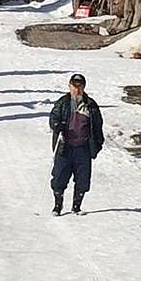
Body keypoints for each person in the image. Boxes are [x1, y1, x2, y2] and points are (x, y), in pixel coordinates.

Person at [49, 73, 104, 216]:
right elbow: (53, 117)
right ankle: (57, 206)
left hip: (83, 147)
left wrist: (97, 145)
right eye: (74, 87)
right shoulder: (63, 103)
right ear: (69, 86)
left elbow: (97, 126)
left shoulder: (90, 105)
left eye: (80, 87)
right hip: (65, 146)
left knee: (82, 178)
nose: (77, 90)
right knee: (59, 176)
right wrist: (57, 125)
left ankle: (76, 206)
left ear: (84, 88)